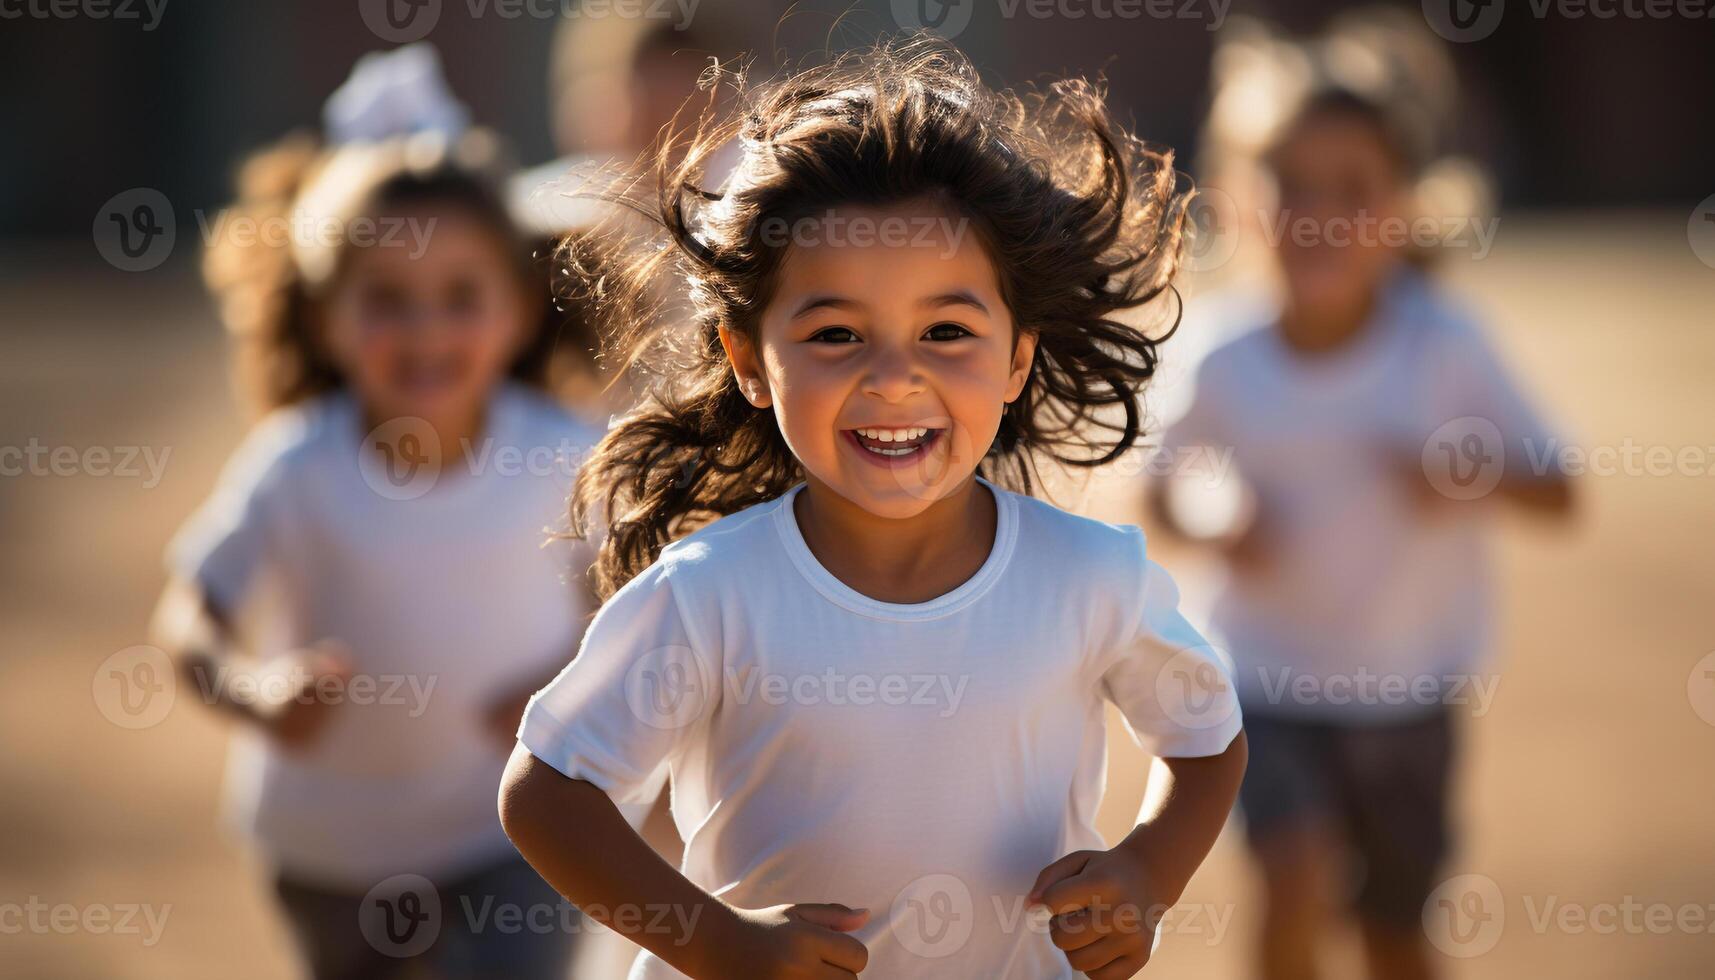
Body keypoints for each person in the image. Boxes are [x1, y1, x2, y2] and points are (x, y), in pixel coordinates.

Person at [498, 35, 1248, 980]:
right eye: (836, 333)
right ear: (747, 362)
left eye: (945, 331)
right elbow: (544, 793)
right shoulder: (708, 592)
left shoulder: (1091, 575)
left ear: (1018, 357)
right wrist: (722, 944)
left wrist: (1147, 873)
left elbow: (1206, 736)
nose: (894, 379)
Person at [151, 52, 643, 978]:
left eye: (461, 297)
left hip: (517, 822)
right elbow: (189, 614)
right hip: (329, 851)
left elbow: (626, 598)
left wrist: (562, 676)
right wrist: (250, 689)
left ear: (519, 310)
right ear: (324, 317)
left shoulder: (566, 456)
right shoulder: (297, 465)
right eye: (385, 301)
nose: (425, 331)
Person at [1150, 13, 1573, 980]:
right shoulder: (1221, 354)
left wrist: (1466, 474)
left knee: (1394, 931)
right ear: (1241, 198)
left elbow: (1560, 490)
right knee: (1290, 872)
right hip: (1265, 682)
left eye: (1352, 189)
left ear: (1408, 204)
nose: (1319, 214)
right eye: (1290, 185)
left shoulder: (1444, 343)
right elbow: (1163, 493)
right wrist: (1220, 516)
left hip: (1409, 692)